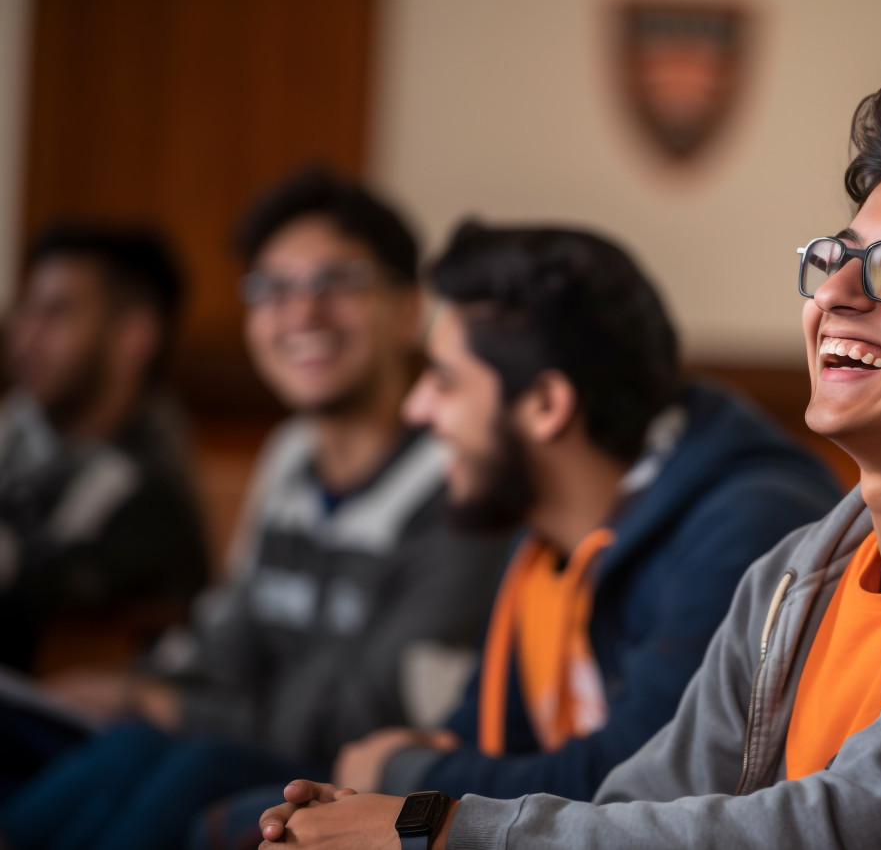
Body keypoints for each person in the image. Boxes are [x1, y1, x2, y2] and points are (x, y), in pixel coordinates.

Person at [257, 68, 881, 850]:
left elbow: (853, 827)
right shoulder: (796, 573)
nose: (836, 294)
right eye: (836, 256)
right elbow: (631, 811)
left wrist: (446, 826)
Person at [202, 221, 844, 846]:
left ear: (544, 406)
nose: (416, 408)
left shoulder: (744, 527)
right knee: (238, 819)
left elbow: (636, 788)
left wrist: (401, 777)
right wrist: (379, 797)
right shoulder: (541, 530)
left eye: (445, 381)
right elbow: (477, 740)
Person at [0, 169, 509, 850]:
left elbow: (366, 710)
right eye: (273, 288)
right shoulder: (291, 455)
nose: (301, 312)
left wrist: (169, 703)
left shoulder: (458, 474)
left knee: (183, 760)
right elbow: (234, 631)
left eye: (338, 281)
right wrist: (139, 689)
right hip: (234, 739)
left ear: (408, 307)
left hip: (345, 784)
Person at [0, 223, 207, 674]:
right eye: (26, 310)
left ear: (134, 337)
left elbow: (38, 585)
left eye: (56, 314)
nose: (24, 336)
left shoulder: (151, 489)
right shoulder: (21, 434)